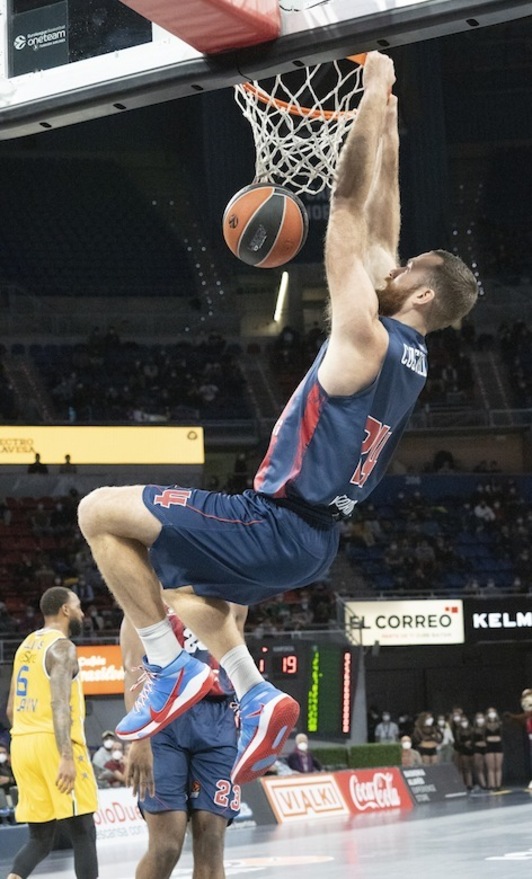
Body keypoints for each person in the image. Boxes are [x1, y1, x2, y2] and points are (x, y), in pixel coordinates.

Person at [77, 51, 479, 787]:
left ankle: (168, 671)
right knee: (185, 599)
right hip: (311, 541)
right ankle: (256, 693)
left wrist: (365, 96)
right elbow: (384, 225)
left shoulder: (365, 332)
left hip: (272, 519)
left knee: (98, 512)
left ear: (419, 296)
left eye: (404, 272)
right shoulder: (408, 352)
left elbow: (354, 212)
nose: (389, 271)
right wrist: (387, 117)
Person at [120, 606, 242, 879]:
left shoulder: (230, 596)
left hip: (218, 719)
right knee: (166, 844)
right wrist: (140, 739)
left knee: (211, 840)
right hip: (164, 719)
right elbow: (133, 673)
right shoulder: (144, 596)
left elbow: (238, 662)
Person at [6, 586, 99, 879]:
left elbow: (10, 709)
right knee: (84, 833)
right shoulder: (62, 647)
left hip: (21, 743)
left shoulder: (26, 645)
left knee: (40, 839)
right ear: (65, 610)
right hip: (53, 744)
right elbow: (60, 705)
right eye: (79, 606)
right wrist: (66, 756)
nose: (83, 613)